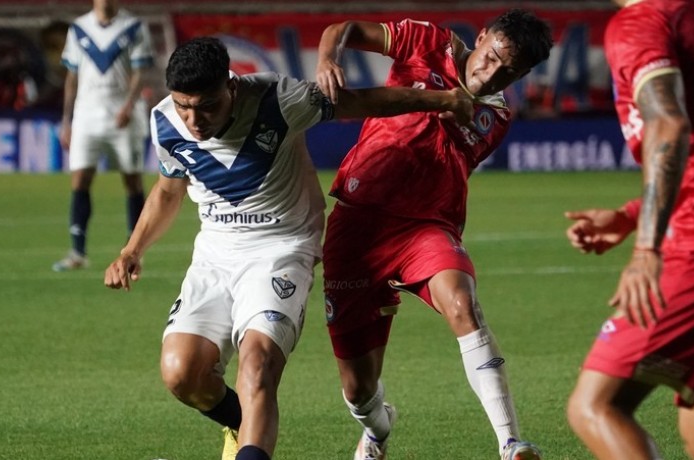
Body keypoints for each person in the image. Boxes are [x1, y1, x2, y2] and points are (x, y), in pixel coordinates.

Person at [104, 36, 475, 460]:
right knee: (181, 374)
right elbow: (169, 192)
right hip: (215, 255)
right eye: (184, 106)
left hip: (281, 250)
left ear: (232, 86)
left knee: (257, 366)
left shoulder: (278, 100)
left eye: (206, 105)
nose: (194, 119)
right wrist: (132, 249)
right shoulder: (164, 120)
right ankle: (240, 422)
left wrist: (441, 100)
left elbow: (361, 101)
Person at [315, 10, 553, 460]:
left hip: (425, 228)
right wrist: (328, 58)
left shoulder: (495, 119)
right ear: (480, 37)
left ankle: (511, 443)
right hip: (358, 228)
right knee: (358, 388)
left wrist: (451, 102)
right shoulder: (426, 41)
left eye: (510, 72)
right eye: (491, 57)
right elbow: (341, 29)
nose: (492, 73)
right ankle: (378, 427)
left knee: (463, 304)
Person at [563, 0, 694, 459]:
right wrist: (631, 214)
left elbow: (669, 125)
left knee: (594, 406)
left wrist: (646, 249)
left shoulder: (643, 20)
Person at [53, 0, 153, 271]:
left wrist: (129, 105)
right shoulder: (79, 28)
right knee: (80, 179)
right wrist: (67, 119)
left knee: (132, 181)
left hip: (124, 116)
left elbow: (140, 72)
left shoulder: (133, 27)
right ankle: (77, 253)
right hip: (86, 116)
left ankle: (135, 251)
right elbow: (71, 76)